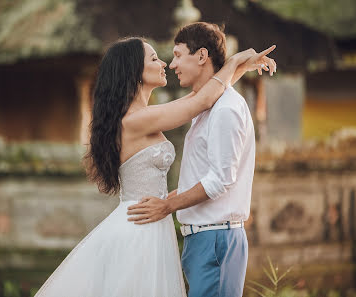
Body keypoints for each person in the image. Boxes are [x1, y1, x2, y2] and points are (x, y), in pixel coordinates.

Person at [34, 35, 275, 297]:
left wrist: (238, 68)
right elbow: (201, 101)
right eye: (154, 58)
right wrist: (236, 60)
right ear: (135, 72)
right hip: (139, 225)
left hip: (153, 218)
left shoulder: (146, 114)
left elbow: (204, 94)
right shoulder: (135, 119)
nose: (165, 63)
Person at [127, 23, 276, 297]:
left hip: (216, 239)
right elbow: (200, 177)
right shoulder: (205, 107)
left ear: (201, 56)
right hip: (203, 239)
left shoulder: (225, 109)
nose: (172, 65)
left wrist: (168, 205)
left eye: (178, 55)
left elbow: (220, 180)